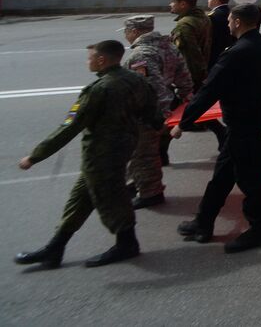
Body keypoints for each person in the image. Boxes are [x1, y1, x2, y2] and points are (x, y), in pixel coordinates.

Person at [15, 40, 159, 269]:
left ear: (102, 59)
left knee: (113, 200)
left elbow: (70, 126)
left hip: (101, 155)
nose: (87, 61)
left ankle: (127, 244)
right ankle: (55, 248)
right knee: (80, 199)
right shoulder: (137, 80)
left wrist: (35, 156)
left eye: (90, 57)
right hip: (123, 148)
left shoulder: (99, 89)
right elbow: (153, 112)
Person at [173, 3, 261, 253]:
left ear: (236, 22)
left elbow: (209, 91)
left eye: (229, 20)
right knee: (222, 176)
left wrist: (184, 122)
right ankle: (204, 221)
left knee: (251, 179)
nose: (227, 23)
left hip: (242, 120)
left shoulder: (234, 53)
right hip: (254, 116)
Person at [121, 15, 192, 209]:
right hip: (163, 108)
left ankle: (150, 193)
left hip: (146, 113)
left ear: (135, 31)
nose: (126, 35)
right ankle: (135, 183)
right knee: (143, 152)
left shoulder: (140, 55)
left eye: (127, 31)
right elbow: (183, 74)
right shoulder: (166, 45)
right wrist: (186, 97)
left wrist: (155, 116)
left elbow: (150, 87)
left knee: (143, 154)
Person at [168, 0, 211, 90]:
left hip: (191, 78)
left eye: (173, 2)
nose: (170, 4)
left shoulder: (184, 25)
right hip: (203, 71)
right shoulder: (204, 18)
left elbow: (189, 56)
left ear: (183, 4)